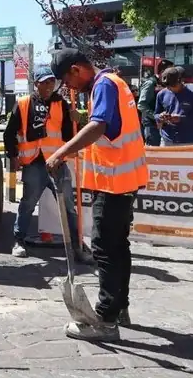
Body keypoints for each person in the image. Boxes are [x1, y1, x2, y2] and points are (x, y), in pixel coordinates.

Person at [47, 48, 148, 342]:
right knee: (118, 246)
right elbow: (109, 127)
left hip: (115, 182)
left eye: (67, 79)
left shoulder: (103, 84)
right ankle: (120, 307)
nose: (69, 86)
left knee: (104, 248)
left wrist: (61, 153)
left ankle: (105, 318)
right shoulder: (115, 82)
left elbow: (99, 125)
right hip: (125, 179)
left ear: (78, 69)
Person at [3, 67, 87, 260]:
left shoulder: (63, 105)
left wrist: (77, 121)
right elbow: (9, 133)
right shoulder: (23, 104)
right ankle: (19, 240)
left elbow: (69, 136)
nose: (49, 86)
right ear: (36, 84)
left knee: (68, 206)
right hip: (34, 162)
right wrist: (13, 156)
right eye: (45, 82)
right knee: (28, 204)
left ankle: (77, 245)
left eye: (52, 82)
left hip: (57, 162)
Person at [155, 66, 193, 146]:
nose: (169, 89)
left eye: (172, 86)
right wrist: (160, 117)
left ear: (180, 81)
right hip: (167, 140)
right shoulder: (161, 94)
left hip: (188, 141)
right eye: (167, 86)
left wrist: (181, 119)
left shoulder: (192, 92)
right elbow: (156, 114)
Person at [138, 60, 174, 146]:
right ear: (162, 72)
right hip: (152, 124)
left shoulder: (165, 83)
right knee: (153, 151)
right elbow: (141, 105)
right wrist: (155, 117)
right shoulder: (150, 83)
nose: (173, 74)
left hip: (163, 124)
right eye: (171, 71)